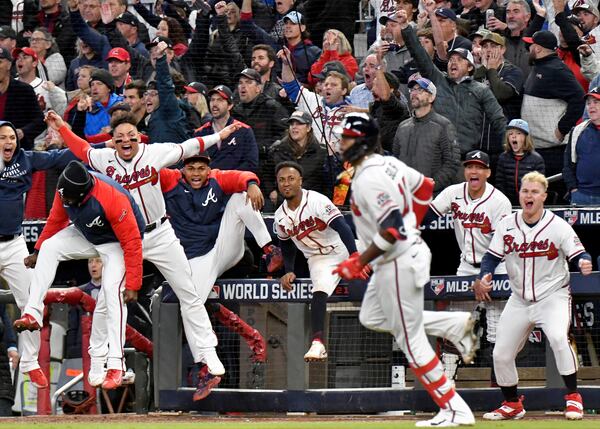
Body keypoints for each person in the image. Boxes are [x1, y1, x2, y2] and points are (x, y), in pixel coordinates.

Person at [44, 109, 241, 395]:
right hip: (123, 240)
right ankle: (99, 360)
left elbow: (190, 146)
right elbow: (82, 150)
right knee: (109, 296)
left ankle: (207, 354)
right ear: (113, 141)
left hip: (159, 233)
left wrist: (219, 136)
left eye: (131, 136)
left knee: (189, 291)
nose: (126, 141)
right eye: (120, 137)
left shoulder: (154, 152)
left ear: (139, 138)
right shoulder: (104, 158)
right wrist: (62, 127)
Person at [332, 113, 475, 426]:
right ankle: (453, 323)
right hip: (398, 257)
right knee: (371, 316)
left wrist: (359, 261)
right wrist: (415, 223)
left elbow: (393, 228)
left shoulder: (369, 177)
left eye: (347, 139)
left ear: (363, 142)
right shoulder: (389, 163)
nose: (342, 143)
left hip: (396, 261)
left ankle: (455, 410)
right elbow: (426, 186)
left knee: (412, 343)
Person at [14, 161, 145, 390]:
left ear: (84, 194)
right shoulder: (66, 187)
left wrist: (133, 282)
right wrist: (37, 250)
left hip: (117, 242)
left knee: (112, 292)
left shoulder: (112, 198)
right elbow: (56, 219)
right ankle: (32, 313)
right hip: (89, 234)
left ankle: (116, 364)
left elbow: (132, 243)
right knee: (50, 248)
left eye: (68, 199)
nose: (64, 200)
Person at [159, 152, 281, 399]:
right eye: (191, 168)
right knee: (189, 305)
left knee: (240, 196)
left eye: (200, 168)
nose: (196, 173)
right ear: (183, 170)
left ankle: (269, 249)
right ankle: (206, 367)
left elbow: (241, 176)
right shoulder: (170, 180)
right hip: (194, 263)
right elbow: (145, 167)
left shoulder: (216, 179)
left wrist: (253, 184)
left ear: (208, 169)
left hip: (223, 248)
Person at [475, 171, 592, 421]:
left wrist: (584, 261)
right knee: (501, 354)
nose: (529, 195)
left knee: (559, 338)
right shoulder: (507, 223)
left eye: (534, 192)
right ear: (520, 194)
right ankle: (512, 404)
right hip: (519, 298)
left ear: (544, 197)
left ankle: (573, 398)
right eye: (525, 191)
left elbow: (579, 253)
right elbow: (491, 256)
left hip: (552, 296)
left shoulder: (558, 225)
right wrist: (485, 274)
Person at [0, 120, 76, 390]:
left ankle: (30, 363)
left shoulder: (25, 159)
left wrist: (100, 148)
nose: (8, 142)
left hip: (13, 243)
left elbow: (61, 156)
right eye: (2, 138)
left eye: (11, 137)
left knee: (32, 302)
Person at [430, 149, 512, 383]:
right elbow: (427, 216)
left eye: (479, 167)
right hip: (466, 266)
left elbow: (499, 247)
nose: (473, 171)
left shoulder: (499, 202)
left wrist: (485, 276)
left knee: (498, 331)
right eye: (469, 166)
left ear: (488, 172)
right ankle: (446, 383)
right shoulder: (453, 193)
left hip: (498, 267)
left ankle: (501, 386)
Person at [274, 161, 365, 361]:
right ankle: (318, 344)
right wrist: (288, 269)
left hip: (343, 246)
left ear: (300, 181)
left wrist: (354, 255)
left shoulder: (316, 200)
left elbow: (342, 227)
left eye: (291, 178)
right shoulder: (280, 216)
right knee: (319, 289)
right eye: (281, 180)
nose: (286, 183)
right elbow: (287, 245)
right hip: (319, 259)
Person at [399, 9, 506, 158]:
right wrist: (405, 27)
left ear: (470, 67)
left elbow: (498, 119)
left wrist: (508, 146)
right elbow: (419, 54)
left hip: (466, 158)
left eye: (459, 59)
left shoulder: (481, 90)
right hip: (437, 156)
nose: (453, 62)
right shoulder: (438, 80)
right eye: (451, 59)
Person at [521, 30, 585, 177]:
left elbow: (580, 98)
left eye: (531, 45)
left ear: (537, 48)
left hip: (552, 150)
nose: (529, 49)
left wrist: (562, 129)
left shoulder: (557, 69)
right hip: (537, 146)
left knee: (551, 194)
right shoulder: (540, 65)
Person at [392, 77, 460, 194]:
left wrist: (432, 184)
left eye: (420, 90)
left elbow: (452, 163)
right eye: (412, 90)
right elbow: (395, 160)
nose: (414, 93)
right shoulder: (402, 126)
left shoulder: (443, 125)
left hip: (431, 197)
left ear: (432, 97)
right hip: (404, 195)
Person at [266, 111, 329, 206]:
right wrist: (271, 191)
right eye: (291, 124)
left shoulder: (322, 152)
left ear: (308, 128)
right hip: (284, 204)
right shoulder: (277, 149)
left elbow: (327, 182)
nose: (294, 127)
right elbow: (266, 173)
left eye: (299, 124)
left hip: (313, 205)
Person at [194, 85, 258, 173]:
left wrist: (227, 178)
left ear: (230, 105)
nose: (214, 104)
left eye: (220, 100)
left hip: (235, 183)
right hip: (208, 184)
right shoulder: (200, 133)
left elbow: (251, 163)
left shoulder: (244, 131)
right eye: (212, 100)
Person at [0, 47, 45, 150]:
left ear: (9, 65)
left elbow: (40, 121)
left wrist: (23, 132)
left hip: (19, 152)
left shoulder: (24, 90)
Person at [473, 32, 524, 121]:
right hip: (481, 125)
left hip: (504, 125)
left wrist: (491, 70)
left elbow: (501, 95)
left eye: (493, 46)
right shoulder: (480, 71)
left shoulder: (513, 71)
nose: (488, 50)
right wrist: (483, 68)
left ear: (502, 49)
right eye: (485, 46)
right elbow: (473, 95)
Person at [563, 87, 600, 205]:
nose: (591, 106)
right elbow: (567, 165)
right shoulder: (577, 131)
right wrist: (573, 189)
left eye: (596, 102)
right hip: (581, 196)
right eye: (588, 103)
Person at [496, 119, 545, 205]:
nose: (514, 136)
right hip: (507, 203)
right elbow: (499, 183)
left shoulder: (536, 159)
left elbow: (539, 186)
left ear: (526, 137)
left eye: (518, 133)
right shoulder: (503, 158)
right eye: (510, 134)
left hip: (529, 203)